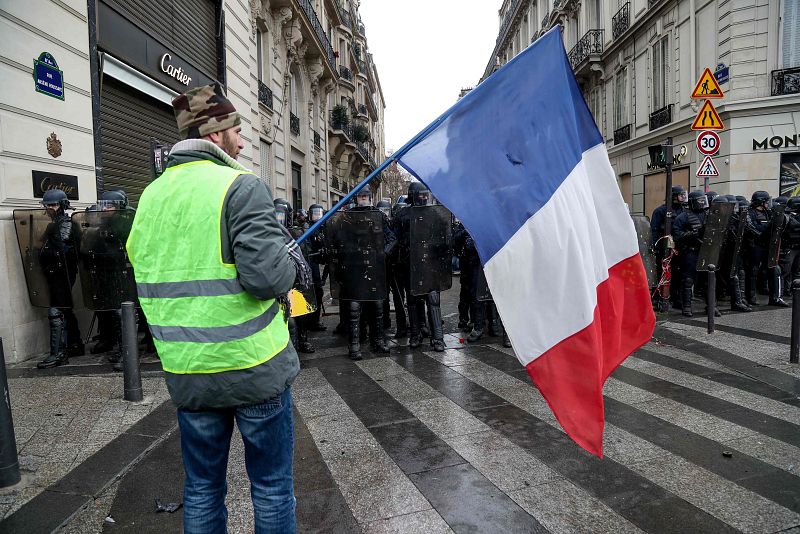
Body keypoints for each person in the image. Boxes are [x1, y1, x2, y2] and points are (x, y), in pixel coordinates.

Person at [126, 83, 301, 533]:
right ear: (215, 134)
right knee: (272, 487)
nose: (242, 141)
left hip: (188, 372)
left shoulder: (150, 197)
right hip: (253, 366)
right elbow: (267, 280)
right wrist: (290, 261)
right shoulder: (242, 187)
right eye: (237, 131)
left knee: (202, 488)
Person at [343, 187, 394, 360]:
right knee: (355, 307)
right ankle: (354, 345)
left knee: (378, 304)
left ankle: (378, 341)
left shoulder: (379, 215)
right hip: (355, 267)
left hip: (375, 267)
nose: (363, 199)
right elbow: (340, 239)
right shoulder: (348, 217)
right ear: (357, 198)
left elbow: (392, 239)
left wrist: (384, 253)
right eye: (361, 196)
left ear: (370, 198)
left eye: (366, 196)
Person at [37, 189, 83, 368]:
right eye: (47, 205)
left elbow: (63, 249)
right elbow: (43, 245)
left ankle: (58, 354)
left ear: (62, 206)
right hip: (53, 273)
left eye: (53, 205)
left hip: (62, 272)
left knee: (56, 311)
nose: (49, 208)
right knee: (65, 308)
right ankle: (75, 344)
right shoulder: (53, 224)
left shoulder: (65, 223)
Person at [672, 191, 719, 318]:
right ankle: (686, 306)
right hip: (691, 252)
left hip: (707, 251)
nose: (702, 203)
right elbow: (677, 235)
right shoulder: (682, 217)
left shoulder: (709, 215)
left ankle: (711, 306)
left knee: (709, 280)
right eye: (700, 200)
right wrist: (692, 234)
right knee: (688, 280)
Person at [744, 191, 787, 307]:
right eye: (766, 201)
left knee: (774, 270)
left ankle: (775, 298)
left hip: (768, 246)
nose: (768, 203)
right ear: (760, 202)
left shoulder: (769, 213)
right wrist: (768, 225)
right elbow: (756, 230)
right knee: (753, 271)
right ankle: (751, 297)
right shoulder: (750, 213)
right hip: (755, 246)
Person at [650, 186, 687, 309]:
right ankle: (657, 298)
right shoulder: (660, 211)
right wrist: (655, 247)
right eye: (680, 195)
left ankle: (676, 298)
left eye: (683, 195)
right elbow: (654, 230)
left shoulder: (684, 211)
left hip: (679, 247)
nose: (683, 197)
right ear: (674, 196)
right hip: (663, 248)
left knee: (678, 274)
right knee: (661, 273)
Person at [781, 197, 800, 294]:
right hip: (790, 247)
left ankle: (795, 290)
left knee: (797, 271)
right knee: (786, 271)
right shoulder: (787, 217)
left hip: (797, 247)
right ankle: (785, 290)